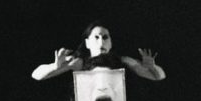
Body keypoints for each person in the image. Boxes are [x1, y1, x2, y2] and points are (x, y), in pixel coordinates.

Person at [31, 20, 167, 81]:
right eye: (96, 37)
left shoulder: (123, 61)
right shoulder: (79, 62)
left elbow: (159, 76)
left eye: (105, 37)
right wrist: (54, 66)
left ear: (111, 43)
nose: (101, 42)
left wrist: (153, 67)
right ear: (87, 43)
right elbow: (36, 75)